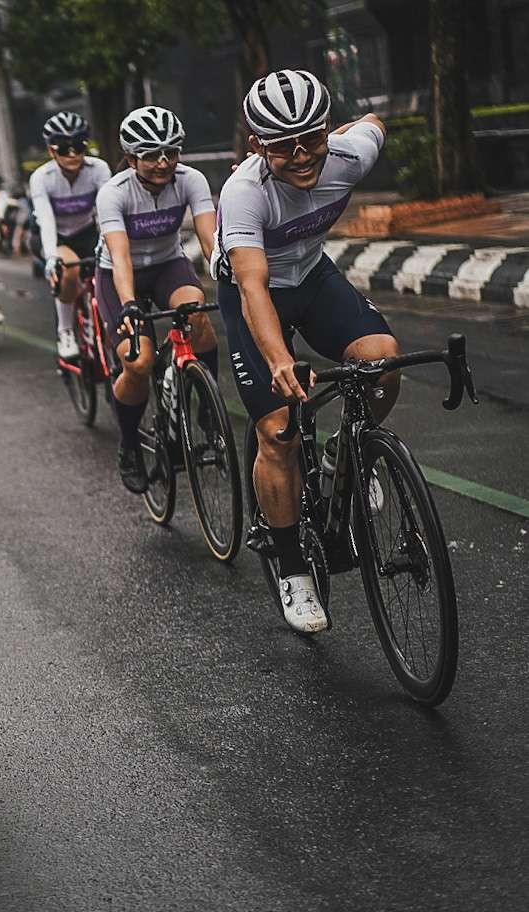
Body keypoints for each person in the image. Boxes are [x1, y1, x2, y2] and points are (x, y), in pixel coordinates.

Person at [211, 69, 393, 634]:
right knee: (278, 429)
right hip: (254, 293)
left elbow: (373, 124)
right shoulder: (243, 194)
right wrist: (278, 359)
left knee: (382, 358)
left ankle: (344, 452)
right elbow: (252, 286)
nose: (301, 155)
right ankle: (293, 570)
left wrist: (347, 130)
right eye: (281, 146)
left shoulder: (347, 156)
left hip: (313, 277)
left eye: (311, 138)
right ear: (256, 146)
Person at [95, 105, 219, 494]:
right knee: (138, 360)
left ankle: (207, 411)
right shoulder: (113, 193)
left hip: (168, 264)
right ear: (131, 158)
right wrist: (129, 304)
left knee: (197, 313)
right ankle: (130, 444)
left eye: (171, 152)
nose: (163, 162)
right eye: (150, 155)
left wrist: (229, 276)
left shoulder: (191, 179)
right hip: (121, 274)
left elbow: (209, 238)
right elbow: (119, 257)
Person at [29, 112, 112, 359]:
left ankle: (93, 313)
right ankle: (65, 330)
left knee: (108, 270)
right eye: (64, 149)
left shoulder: (99, 169)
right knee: (69, 270)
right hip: (56, 236)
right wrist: (53, 256)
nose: (73, 154)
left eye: (78, 146)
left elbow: (107, 213)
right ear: (52, 151)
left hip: (86, 232)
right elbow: (45, 219)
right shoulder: (42, 178)